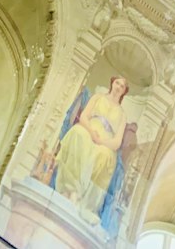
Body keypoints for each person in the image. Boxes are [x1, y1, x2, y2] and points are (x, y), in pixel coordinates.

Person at [54, 76, 130, 223]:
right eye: (117, 83)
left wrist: (102, 141)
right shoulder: (97, 97)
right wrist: (91, 131)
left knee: (105, 155)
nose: (118, 87)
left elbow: (117, 142)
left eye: (122, 86)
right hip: (89, 129)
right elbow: (83, 117)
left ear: (124, 91)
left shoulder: (122, 114)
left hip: (106, 142)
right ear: (112, 83)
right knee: (77, 133)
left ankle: (85, 204)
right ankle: (70, 190)